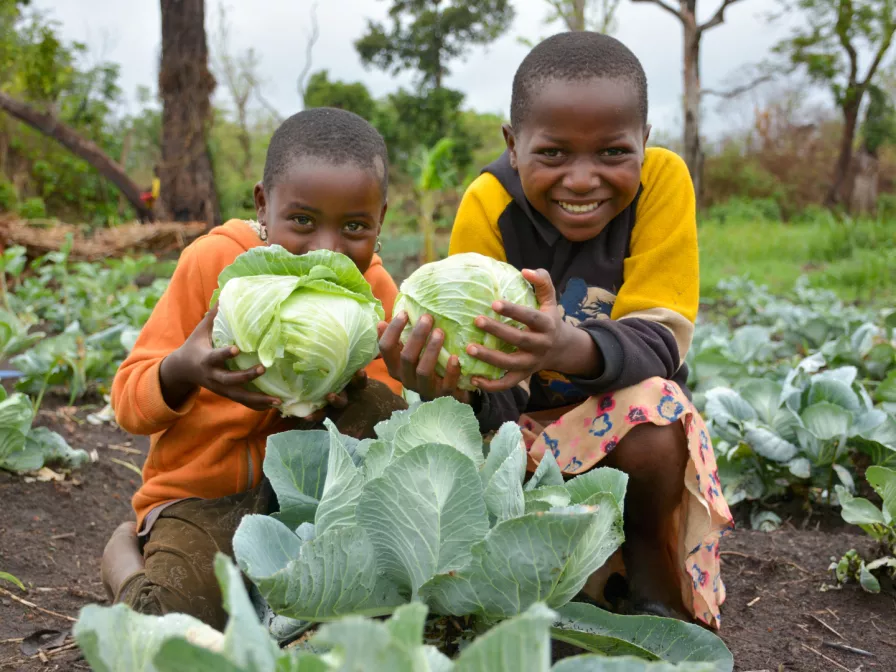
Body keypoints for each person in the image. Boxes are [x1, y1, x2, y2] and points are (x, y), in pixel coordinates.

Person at [378, 32, 733, 629]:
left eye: (614, 153)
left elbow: (662, 342)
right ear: (513, 146)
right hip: (518, 434)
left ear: (644, 143)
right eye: (554, 154)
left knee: (657, 409)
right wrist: (450, 386)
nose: (582, 179)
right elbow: (484, 381)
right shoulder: (488, 204)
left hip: (629, 435)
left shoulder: (664, 184)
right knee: (432, 444)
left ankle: (653, 577)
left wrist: (567, 345)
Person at [101, 108, 406, 629]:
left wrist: (348, 390)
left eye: (355, 226)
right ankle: (123, 558)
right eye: (303, 221)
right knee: (175, 626)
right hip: (201, 499)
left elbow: (387, 414)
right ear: (263, 203)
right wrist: (182, 371)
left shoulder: (373, 288)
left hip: (312, 501)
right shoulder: (212, 262)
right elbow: (128, 401)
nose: (325, 249)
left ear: (380, 219)